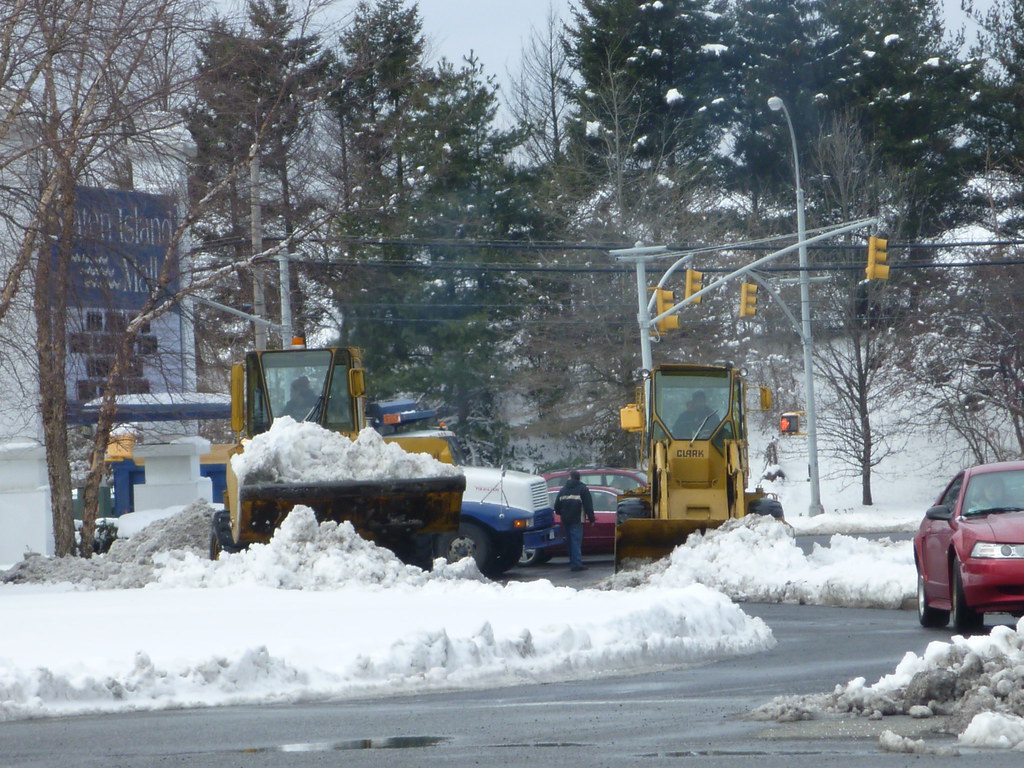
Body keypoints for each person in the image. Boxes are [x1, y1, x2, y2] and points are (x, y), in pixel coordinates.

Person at [553, 470, 595, 572]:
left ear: (570, 477)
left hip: (565, 520)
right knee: (576, 542)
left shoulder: (563, 490)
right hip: (577, 520)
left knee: (570, 542)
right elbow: (588, 506)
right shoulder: (583, 489)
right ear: (578, 478)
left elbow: (556, 507)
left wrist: (562, 513)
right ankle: (576, 564)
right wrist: (591, 519)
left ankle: (572, 562)